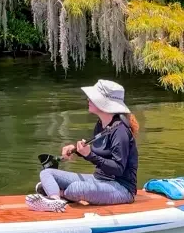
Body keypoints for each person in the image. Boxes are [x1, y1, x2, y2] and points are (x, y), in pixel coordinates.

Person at [31, 79, 139, 208]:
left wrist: (89, 155)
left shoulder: (120, 132)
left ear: (104, 103)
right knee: (47, 173)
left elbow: (118, 169)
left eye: (92, 98)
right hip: (99, 179)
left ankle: (59, 193)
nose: (88, 100)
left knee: (77, 188)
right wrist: (78, 151)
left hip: (121, 188)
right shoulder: (101, 125)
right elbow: (100, 152)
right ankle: (55, 200)